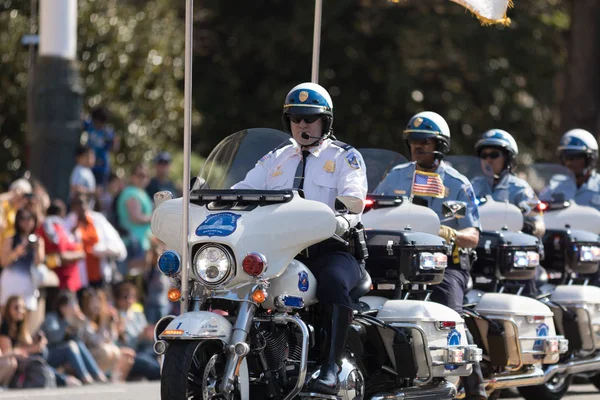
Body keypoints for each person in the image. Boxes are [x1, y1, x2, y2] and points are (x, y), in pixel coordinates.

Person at [233, 82, 368, 395]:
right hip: (282, 251)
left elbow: (354, 199)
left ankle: (332, 367)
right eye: (296, 118)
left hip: (330, 249)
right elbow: (244, 189)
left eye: (310, 118)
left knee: (333, 282)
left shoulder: (345, 156)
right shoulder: (276, 158)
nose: (302, 125)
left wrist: (343, 216)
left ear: (325, 122)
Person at [374, 111, 486, 400]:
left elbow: (473, 236)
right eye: (413, 142)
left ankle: (476, 388)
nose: (417, 147)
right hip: (399, 263)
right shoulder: (397, 177)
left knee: (451, 316)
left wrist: (451, 234)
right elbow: (371, 214)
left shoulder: (457, 184)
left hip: (446, 265)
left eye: (425, 141)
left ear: (440, 146)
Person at [471, 129, 545, 237]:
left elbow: (538, 223)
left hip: (509, 246)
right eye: (484, 155)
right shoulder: (474, 185)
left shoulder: (520, 188)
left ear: (507, 158)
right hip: (478, 245)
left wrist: (531, 227)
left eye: (494, 155)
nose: (488, 160)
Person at [540, 129, 600, 210]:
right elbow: (537, 214)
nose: (569, 163)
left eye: (576, 157)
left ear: (590, 159)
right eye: (566, 157)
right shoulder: (554, 188)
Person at [83, 107, 119, 188]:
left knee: (99, 190)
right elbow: (81, 121)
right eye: (96, 122)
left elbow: (114, 149)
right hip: (89, 164)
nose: (98, 125)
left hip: (102, 167)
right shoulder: (89, 125)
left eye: (101, 123)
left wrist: (115, 142)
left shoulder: (108, 132)